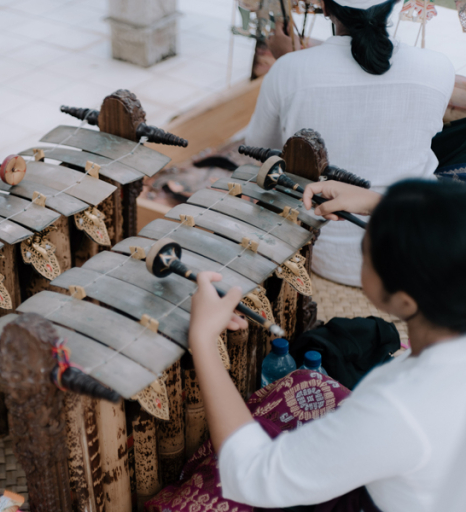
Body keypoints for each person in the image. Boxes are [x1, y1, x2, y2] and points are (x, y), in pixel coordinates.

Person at [186, 179, 466, 510]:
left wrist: (203, 339)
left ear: (404, 302)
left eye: (365, 255)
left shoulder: (399, 408)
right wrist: (387, 208)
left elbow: (254, 475)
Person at [245, 0, 455, 287]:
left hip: (317, 252)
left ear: (325, 8)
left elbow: (261, 149)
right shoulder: (438, 67)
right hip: (410, 249)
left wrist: (290, 63)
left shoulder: (288, 69)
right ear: (394, 5)